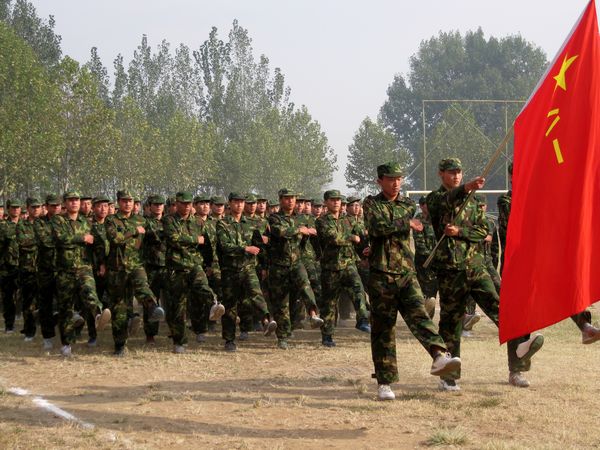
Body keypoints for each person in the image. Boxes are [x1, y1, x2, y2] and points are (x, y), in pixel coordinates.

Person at [427, 158, 543, 389]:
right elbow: (446, 201)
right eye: (451, 172)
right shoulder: (435, 198)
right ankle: (449, 377)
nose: (456, 176)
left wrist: (460, 231)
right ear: (441, 174)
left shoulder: (474, 200)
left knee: (503, 312)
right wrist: (465, 188)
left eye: (459, 172)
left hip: (476, 268)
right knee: (451, 324)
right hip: (450, 271)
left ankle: (518, 363)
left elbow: (483, 230)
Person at [363, 162, 460, 401]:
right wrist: (405, 224)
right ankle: (385, 382)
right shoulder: (371, 203)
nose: (396, 183)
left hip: (406, 273)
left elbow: (388, 224)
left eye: (399, 178)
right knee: (383, 330)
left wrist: (400, 223)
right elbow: (376, 227)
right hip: (381, 275)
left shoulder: (407, 204)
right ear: (379, 181)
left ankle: (439, 355)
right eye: (390, 179)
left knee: (420, 316)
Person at [498, 162, 600, 345]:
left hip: (539, 258)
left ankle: (585, 326)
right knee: (521, 311)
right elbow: (520, 223)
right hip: (518, 263)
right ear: (511, 177)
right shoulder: (506, 200)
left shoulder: (537, 196)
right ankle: (518, 358)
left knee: (564, 287)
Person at [51, 191, 111, 356]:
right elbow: (60, 238)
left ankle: (98, 315)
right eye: (71, 200)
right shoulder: (58, 220)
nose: (74, 203)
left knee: (90, 290)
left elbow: (97, 244)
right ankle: (66, 344)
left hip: (84, 267)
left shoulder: (87, 222)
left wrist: (102, 262)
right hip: (65, 270)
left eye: (76, 200)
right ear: (65, 203)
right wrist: (82, 238)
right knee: (66, 308)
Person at [104, 190, 165, 356]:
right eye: (124, 201)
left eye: (130, 201)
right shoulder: (111, 219)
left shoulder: (141, 220)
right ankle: (120, 345)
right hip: (117, 269)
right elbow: (115, 238)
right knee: (120, 309)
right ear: (118, 202)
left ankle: (153, 307)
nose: (128, 204)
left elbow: (155, 236)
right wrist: (134, 231)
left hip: (136, 265)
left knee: (142, 284)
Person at [162, 191, 222, 353]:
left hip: (195, 264)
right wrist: (195, 240)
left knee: (203, 286)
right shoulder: (169, 220)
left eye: (189, 203)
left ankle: (214, 305)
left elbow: (207, 244)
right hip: (176, 268)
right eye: (183, 203)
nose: (187, 206)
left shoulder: (198, 222)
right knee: (178, 307)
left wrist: (208, 264)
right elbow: (173, 239)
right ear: (177, 204)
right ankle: (179, 342)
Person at [216, 192, 277, 352]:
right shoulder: (222, 224)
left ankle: (266, 321)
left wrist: (266, 244)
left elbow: (260, 246)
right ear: (230, 203)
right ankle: (229, 340)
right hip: (230, 270)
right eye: (236, 202)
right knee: (230, 306)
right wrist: (245, 248)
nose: (239, 205)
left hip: (248, 268)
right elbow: (224, 246)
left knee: (256, 293)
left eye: (242, 202)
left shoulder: (251, 224)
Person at [268, 188, 324, 349]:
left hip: (296, 262)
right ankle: (282, 337)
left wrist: (311, 238)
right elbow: (279, 231)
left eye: (293, 198)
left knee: (305, 286)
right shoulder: (274, 218)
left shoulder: (301, 218)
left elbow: (306, 240)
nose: (291, 201)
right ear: (280, 200)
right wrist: (299, 230)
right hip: (279, 265)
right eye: (287, 198)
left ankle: (313, 314)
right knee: (282, 302)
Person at [316, 190, 370, 347]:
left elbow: (363, 233)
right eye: (332, 200)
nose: (336, 202)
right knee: (329, 303)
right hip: (330, 268)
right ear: (326, 202)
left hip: (348, 264)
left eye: (338, 200)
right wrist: (351, 237)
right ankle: (327, 336)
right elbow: (332, 238)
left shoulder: (349, 219)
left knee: (358, 290)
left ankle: (362, 320)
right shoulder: (322, 221)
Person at [34, 194, 61, 349]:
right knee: (46, 304)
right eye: (52, 205)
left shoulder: (65, 221)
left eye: (57, 205)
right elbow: (45, 241)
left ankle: (67, 337)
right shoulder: (39, 222)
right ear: (46, 206)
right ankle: (47, 337)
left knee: (66, 302)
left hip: (63, 268)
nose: (55, 208)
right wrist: (65, 238)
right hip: (46, 269)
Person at [16, 197, 43, 341]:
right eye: (33, 207)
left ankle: (45, 329)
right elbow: (22, 242)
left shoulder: (45, 223)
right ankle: (29, 331)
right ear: (27, 208)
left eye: (38, 207)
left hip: (44, 267)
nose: (36, 209)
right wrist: (41, 240)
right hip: (28, 268)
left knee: (45, 299)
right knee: (28, 301)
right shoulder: (21, 225)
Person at [412, 197, 438, 319]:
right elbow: (420, 244)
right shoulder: (418, 220)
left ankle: (428, 318)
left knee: (433, 290)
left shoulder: (436, 218)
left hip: (437, 261)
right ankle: (424, 318)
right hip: (424, 262)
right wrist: (431, 256)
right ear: (422, 206)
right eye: (427, 204)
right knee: (425, 291)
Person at [0, 199, 21, 333]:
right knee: (8, 297)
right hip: (7, 267)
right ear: (8, 209)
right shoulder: (3, 226)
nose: (16, 210)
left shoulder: (26, 224)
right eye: (13, 207)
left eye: (17, 207)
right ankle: (9, 325)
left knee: (27, 296)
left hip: (24, 265)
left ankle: (29, 326)